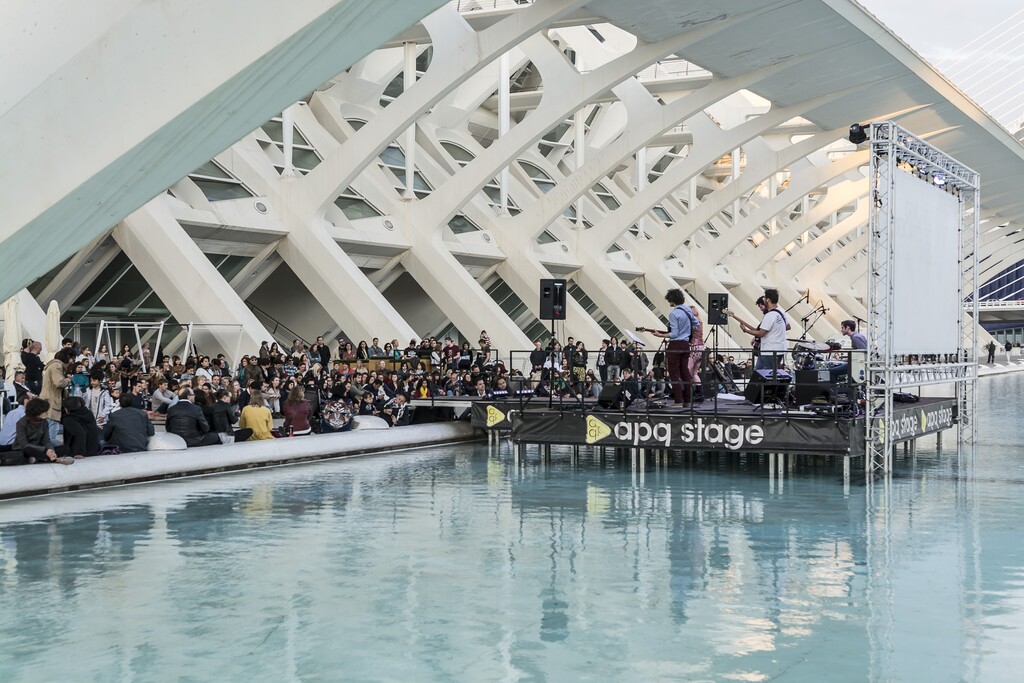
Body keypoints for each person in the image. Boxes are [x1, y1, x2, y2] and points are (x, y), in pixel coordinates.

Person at [651, 288, 700, 406]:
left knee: (674, 373)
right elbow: (697, 324)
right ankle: (688, 400)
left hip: (675, 344)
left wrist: (660, 335)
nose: (669, 302)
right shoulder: (688, 310)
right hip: (685, 344)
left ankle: (678, 400)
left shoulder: (673, 313)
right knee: (685, 372)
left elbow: (674, 333)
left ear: (672, 300)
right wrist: (687, 331)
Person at [738, 289, 788, 370]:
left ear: (768, 300)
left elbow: (761, 333)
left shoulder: (770, 315)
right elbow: (787, 326)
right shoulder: (781, 312)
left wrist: (745, 330)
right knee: (761, 372)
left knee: (766, 373)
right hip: (779, 349)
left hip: (769, 350)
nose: (764, 299)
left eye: (765, 298)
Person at [16, 398, 74, 465]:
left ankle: (40, 458)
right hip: (26, 448)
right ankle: (48, 458)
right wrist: (45, 450)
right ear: (36, 412)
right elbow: (23, 444)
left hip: (40, 447)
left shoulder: (44, 422)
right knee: (28, 450)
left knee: (65, 448)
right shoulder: (21, 423)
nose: (46, 413)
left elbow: (46, 440)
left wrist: (51, 451)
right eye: (44, 412)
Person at [41, 347, 72, 421]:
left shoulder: (54, 365)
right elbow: (59, 383)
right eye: (72, 358)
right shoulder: (57, 366)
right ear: (68, 357)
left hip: (48, 401)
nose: (73, 361)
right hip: (51, 402)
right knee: (52, 425)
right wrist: (68, 380)